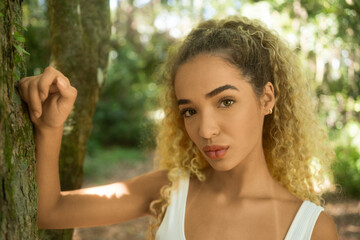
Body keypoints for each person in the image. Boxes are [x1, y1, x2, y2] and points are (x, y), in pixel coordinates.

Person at [18, 16, 339, 239]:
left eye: (225, 101)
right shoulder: (169, 192)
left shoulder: (312, 229)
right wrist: (49, 126)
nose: (206, 130)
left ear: (266, 98)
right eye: (190, 111)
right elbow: (50, 211)